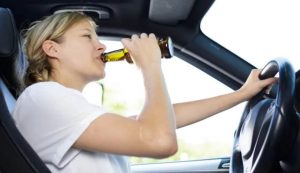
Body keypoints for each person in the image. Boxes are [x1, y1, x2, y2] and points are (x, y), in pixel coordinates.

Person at [12, 12, 276, 173]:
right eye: (87, 37)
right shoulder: (42, 98)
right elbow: (159, 140)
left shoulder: (62, 106)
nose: (101, 45)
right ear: (52, 49)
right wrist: (150, 66)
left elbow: (157, 120)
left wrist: (241, 94)